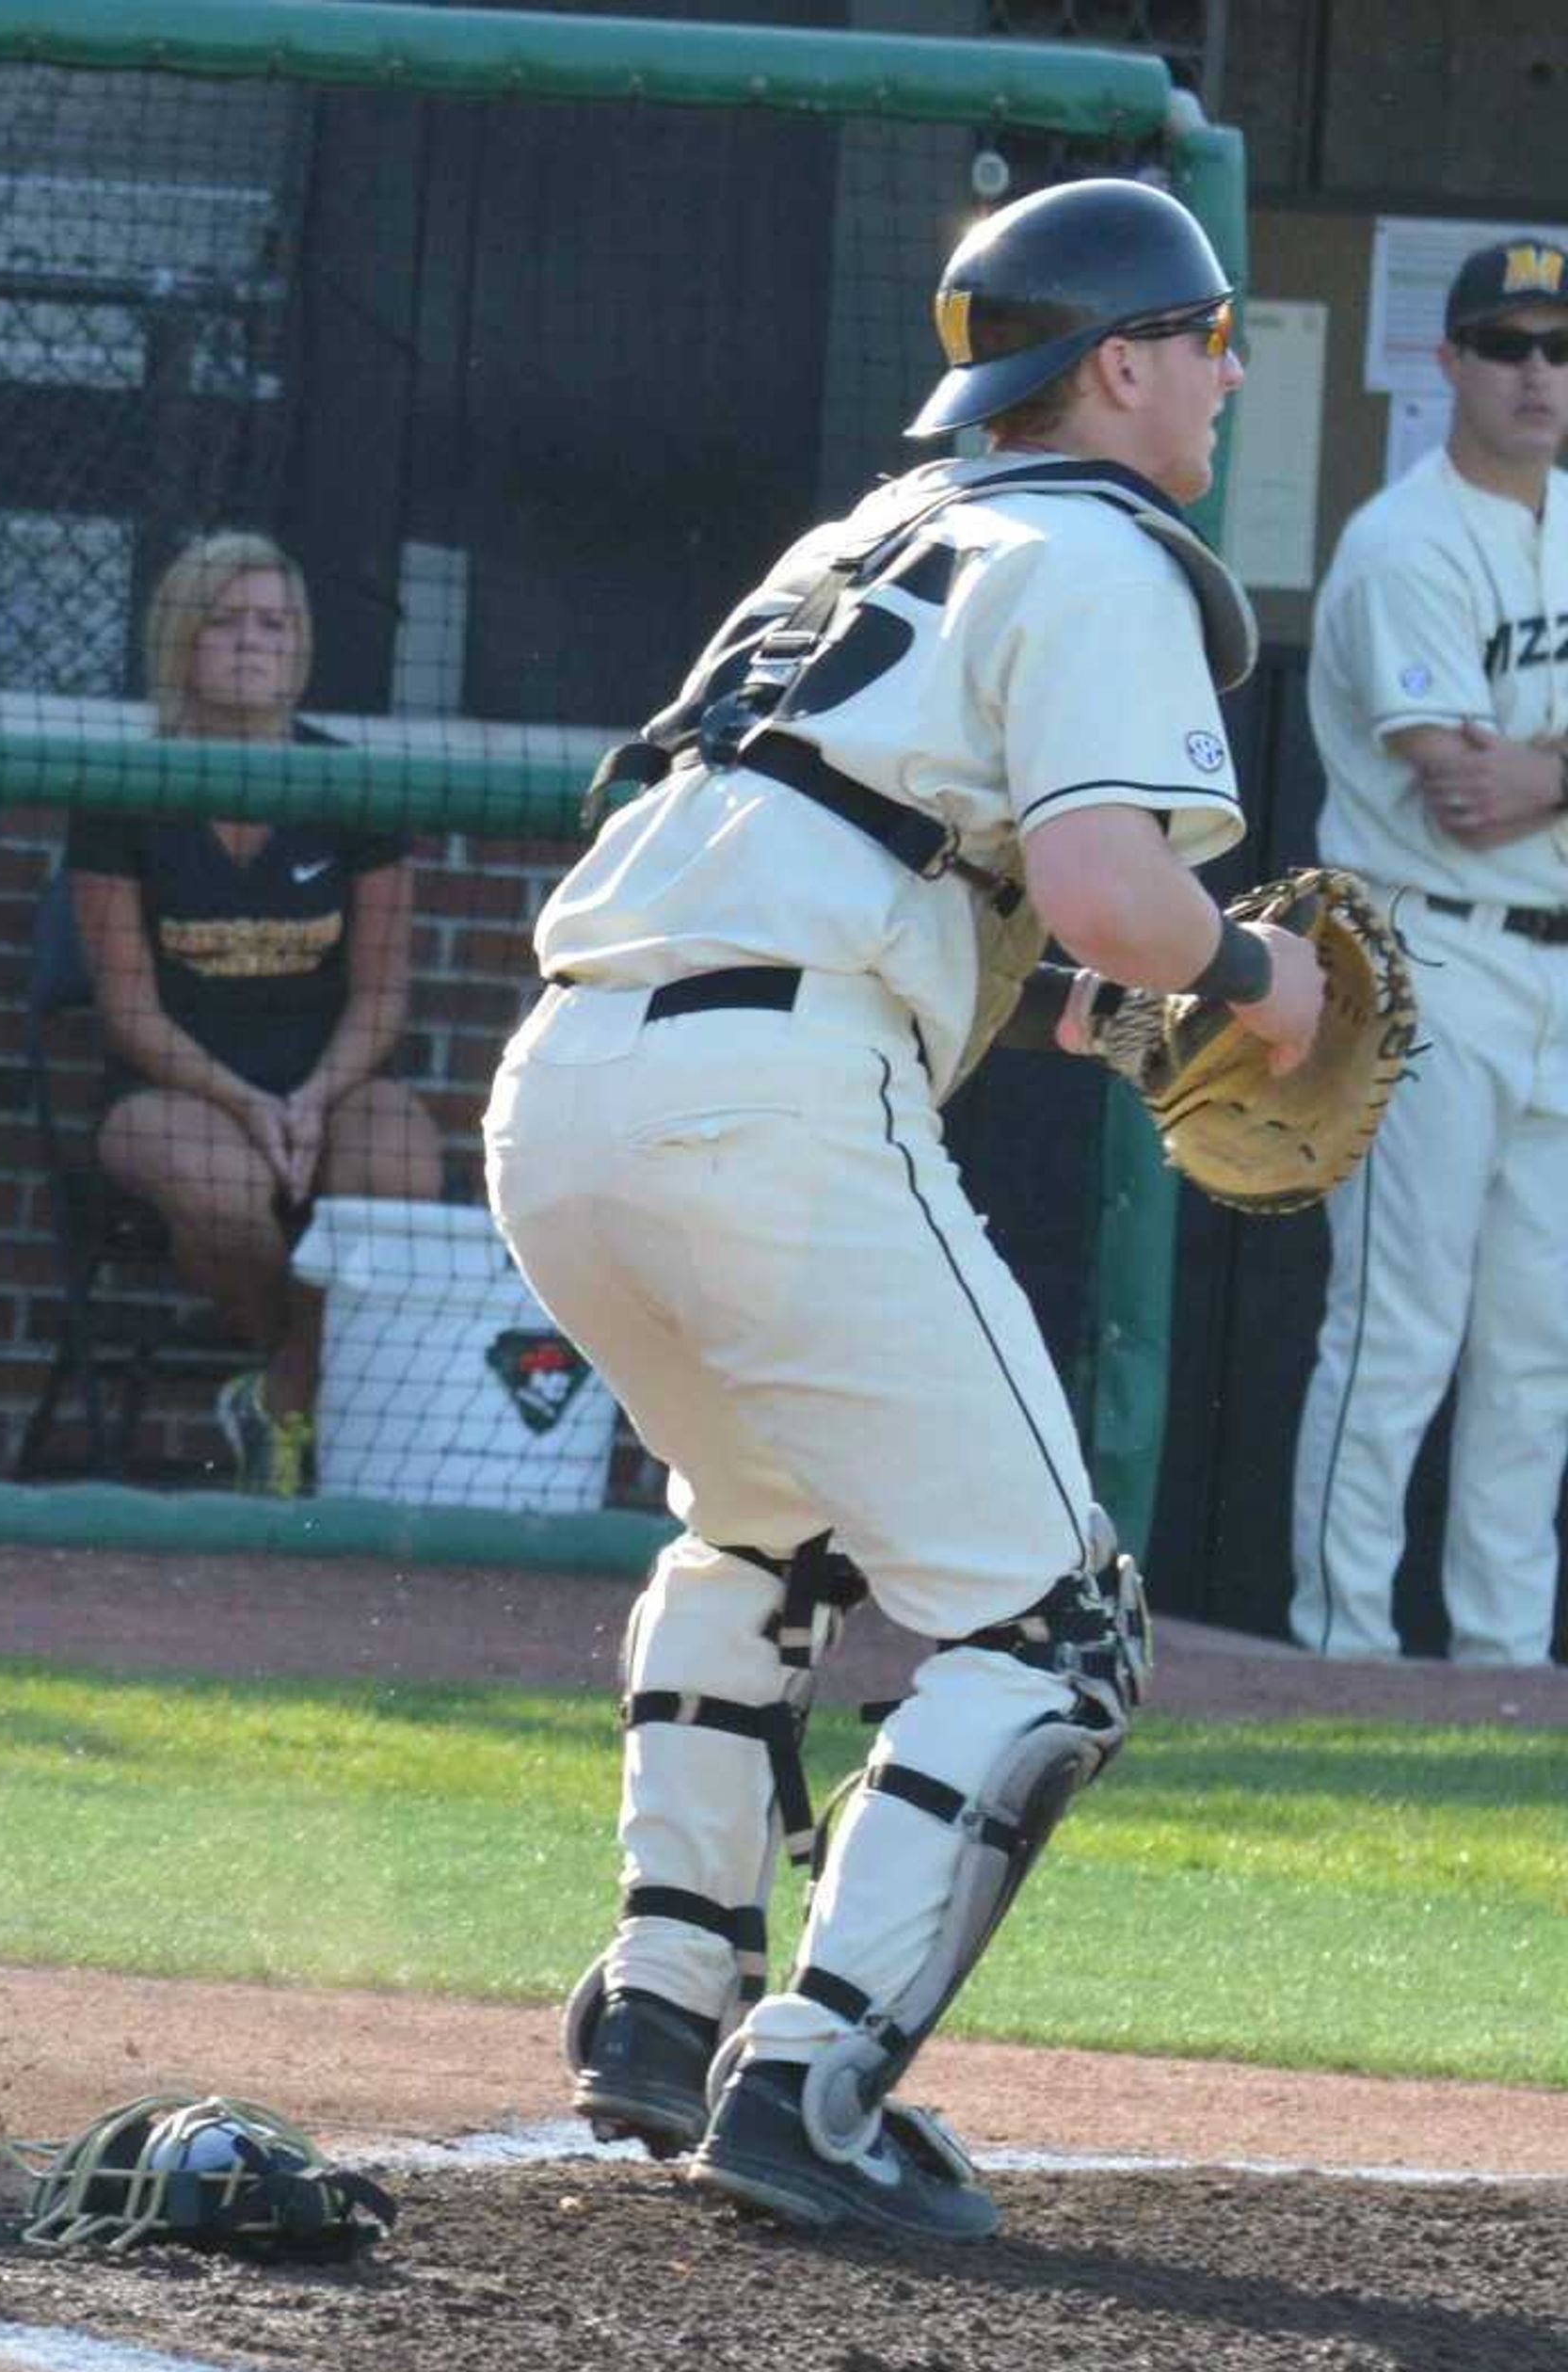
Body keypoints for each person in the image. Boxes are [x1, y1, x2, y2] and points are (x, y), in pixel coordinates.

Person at [483, 178, 1320, 2241]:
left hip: (575, 1082)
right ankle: (817, 2073)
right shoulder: (1100, 544)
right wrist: (1250, 980)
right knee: (1056, 1628)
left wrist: (1086, 1017)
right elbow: (1128, 894)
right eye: (1208, 336)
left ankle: (668, 1992)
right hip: (772, 1105)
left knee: (756, 1520)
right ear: (1115, 360)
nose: (1224, 370)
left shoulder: (852, 540)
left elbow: (816, 856)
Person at [1288, 237, 1568, 1673]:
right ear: (1447, 360)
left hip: (1557, 970)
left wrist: (1554, 764)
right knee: (1398, 1331)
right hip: (1427, 956)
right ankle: (1337, 1657)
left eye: (1557, 345)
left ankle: (1505, 1672)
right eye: (1505, 342)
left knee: (1536, 1352)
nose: (1536, 371)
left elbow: (1522, 778)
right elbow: (1463, 795)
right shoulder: (1405, 537)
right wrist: (1532, 772)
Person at [68, 531, 440, 1499]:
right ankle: (304, 1381)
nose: (251, 643)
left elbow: (382, 995)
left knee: (400, 1155)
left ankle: (280, 1397)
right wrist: (242, 1100)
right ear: (181, 639)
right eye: (226, 622)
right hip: (171, 1091)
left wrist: (313, 1096)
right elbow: (128, 1008)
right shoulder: (123, 789)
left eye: (273, 623)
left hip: (329, 1084)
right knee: (223, 1192)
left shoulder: (355, 782)